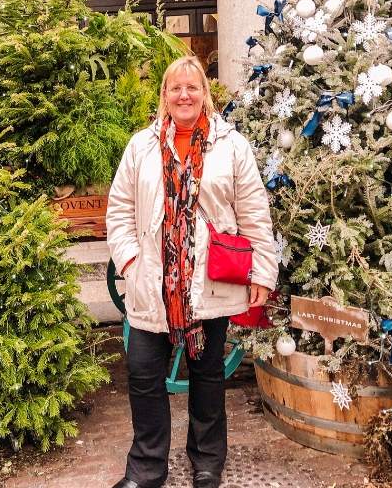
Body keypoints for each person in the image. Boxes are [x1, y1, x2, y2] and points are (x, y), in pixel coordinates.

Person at [106, 56, 278, 488]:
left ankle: (206, 462)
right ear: (164, 96)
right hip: (152, 286)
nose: (184, 95)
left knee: (207, 377)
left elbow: (254, 212)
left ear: (205, 93)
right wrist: (131, 261)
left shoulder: (231, 145)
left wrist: (262, 272)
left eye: (192, 87)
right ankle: (146, 468)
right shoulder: (141, 145)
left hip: (210, 284)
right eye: (175, 88)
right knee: (144, 376)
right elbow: (120, 211)